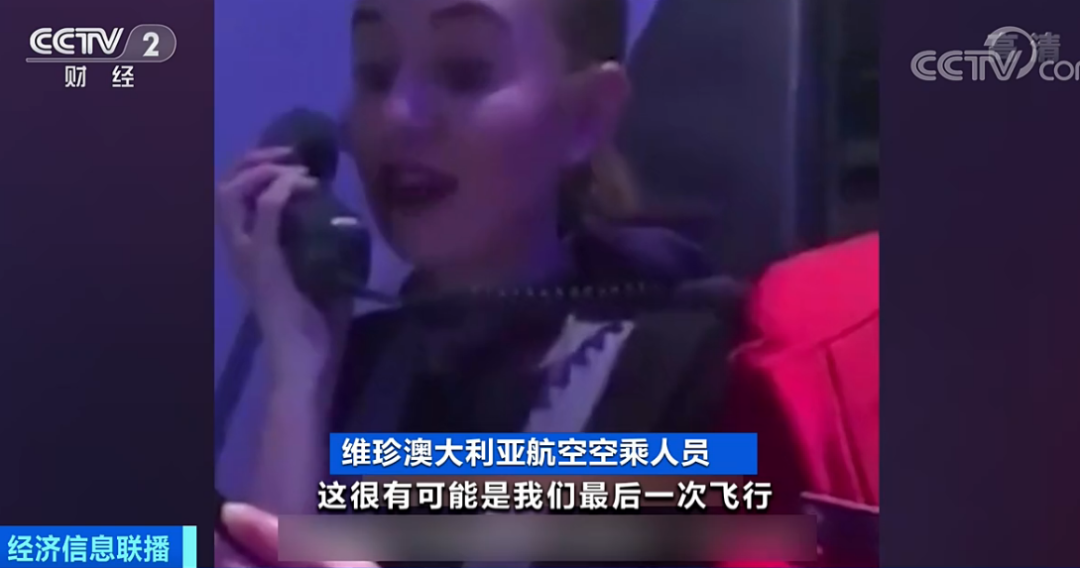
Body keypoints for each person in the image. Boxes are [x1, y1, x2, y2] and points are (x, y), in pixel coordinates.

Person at [214, 0, 881, 566]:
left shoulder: (694, 364)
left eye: (464, 72)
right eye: (375, 73)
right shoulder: (359, 359)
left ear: (585, 116)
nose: (399, 114)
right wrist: (298, 365)